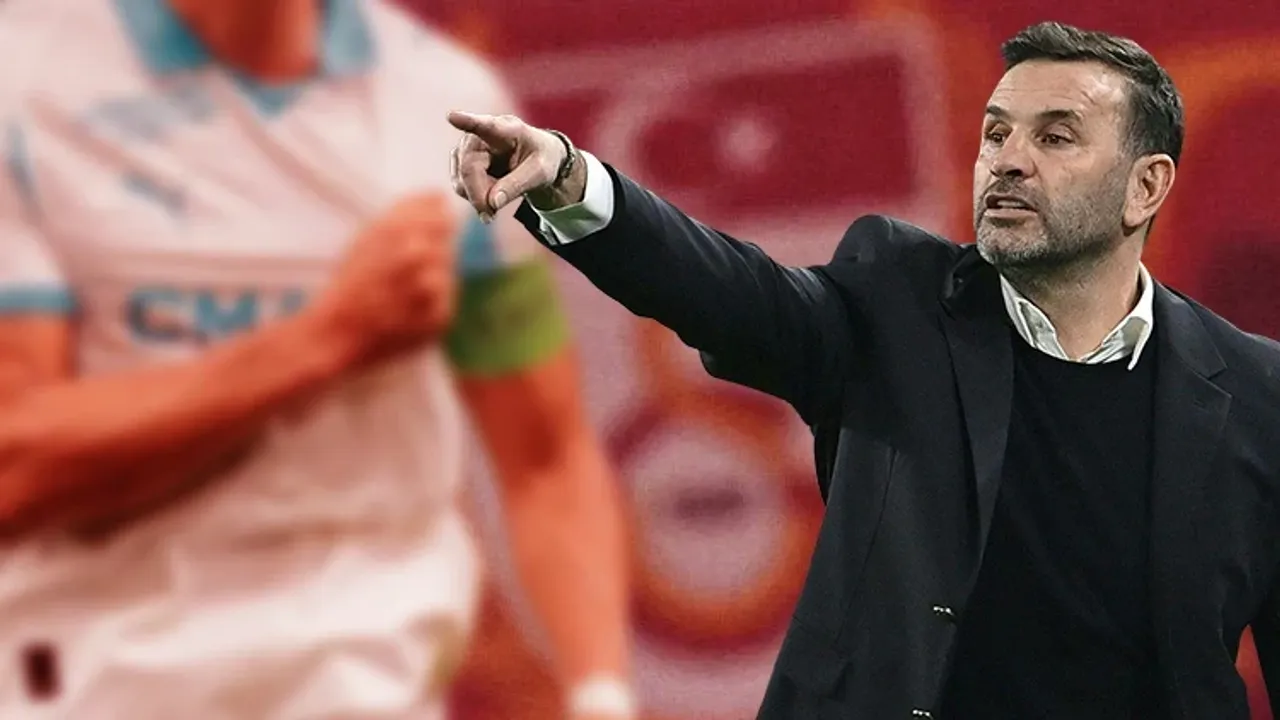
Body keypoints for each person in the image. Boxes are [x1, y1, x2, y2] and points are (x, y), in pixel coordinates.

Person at [448, 20, 1280, 720]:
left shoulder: (1258, 395)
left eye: (1054, 137)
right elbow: (730, 293)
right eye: (996, 133)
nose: (1007, 160)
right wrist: (571, 178)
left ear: (1146, 187)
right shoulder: (897, 305)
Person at [0, 0, 634, 718]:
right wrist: (330, 337)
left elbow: (546, 460)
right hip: (85, 674)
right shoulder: (22, 84)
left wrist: (600, 697)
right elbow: (15, 470)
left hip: (362, 672)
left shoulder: (448, 107)